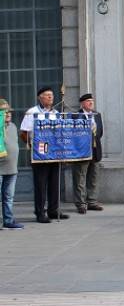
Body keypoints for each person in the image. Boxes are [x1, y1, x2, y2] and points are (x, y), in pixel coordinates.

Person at [20, 87, 70, 223]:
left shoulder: (55, 113)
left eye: (52, 96)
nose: (50, 98)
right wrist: (32, 145)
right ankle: (40, 212)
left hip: (54, 154)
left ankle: (53, 210)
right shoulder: (32, 112)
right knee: (41, 184)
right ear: (40, 97)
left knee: (54, 183)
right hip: (40, 154)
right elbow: (24, 132)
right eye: (47, 95)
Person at [72, 93, 104, 214]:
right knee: (80, 178)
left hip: (95, 151)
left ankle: (92, 201)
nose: (91, 103)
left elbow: (100, 132)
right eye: (88, 101)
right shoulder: (76, 116)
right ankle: (80, 203)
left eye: (92, 101)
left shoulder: (97, 115)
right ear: (82, 103)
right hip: (81, 152)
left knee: (93, 177)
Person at [0, 99, 23, 229]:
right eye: (4, 111)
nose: (8, 113)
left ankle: (8, 220)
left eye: (9, 111)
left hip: (12, 169)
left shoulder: (13, 126)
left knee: (9, 197)